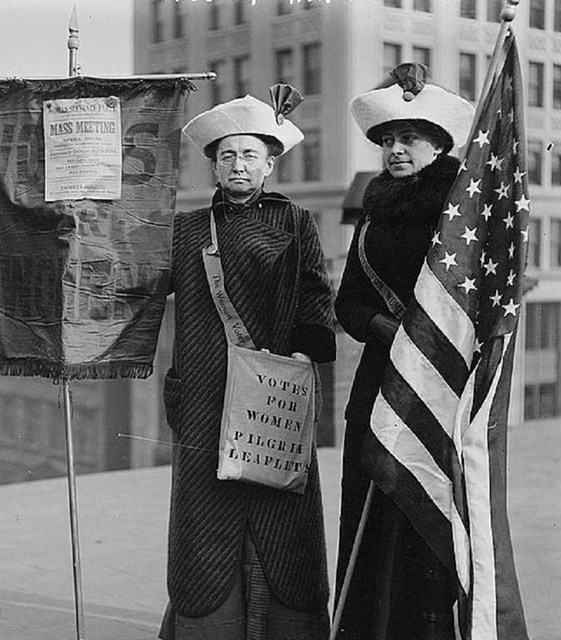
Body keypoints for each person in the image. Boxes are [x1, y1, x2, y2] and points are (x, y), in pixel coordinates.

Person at [159, 92, 336, 640]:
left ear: (270, 162)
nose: (239, 165)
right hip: (206, 394)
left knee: (280, 511)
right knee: (206, 521)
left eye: (250, 155)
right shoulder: (187, 230)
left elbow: (315, 293)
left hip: (273, 397)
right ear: (213, 164)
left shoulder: (296, 220)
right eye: (227, 155)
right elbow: (140, 289)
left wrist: (303, 357)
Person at [333, 63, 475, 640]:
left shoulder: (459, 215)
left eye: (408, 139)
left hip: (435, 386)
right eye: (387, 139)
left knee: (420, 517)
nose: (395, 149)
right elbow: (347, 305)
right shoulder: (373, 211)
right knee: (369, 507)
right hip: (377, 383)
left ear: (439, 144)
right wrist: (381, 327)